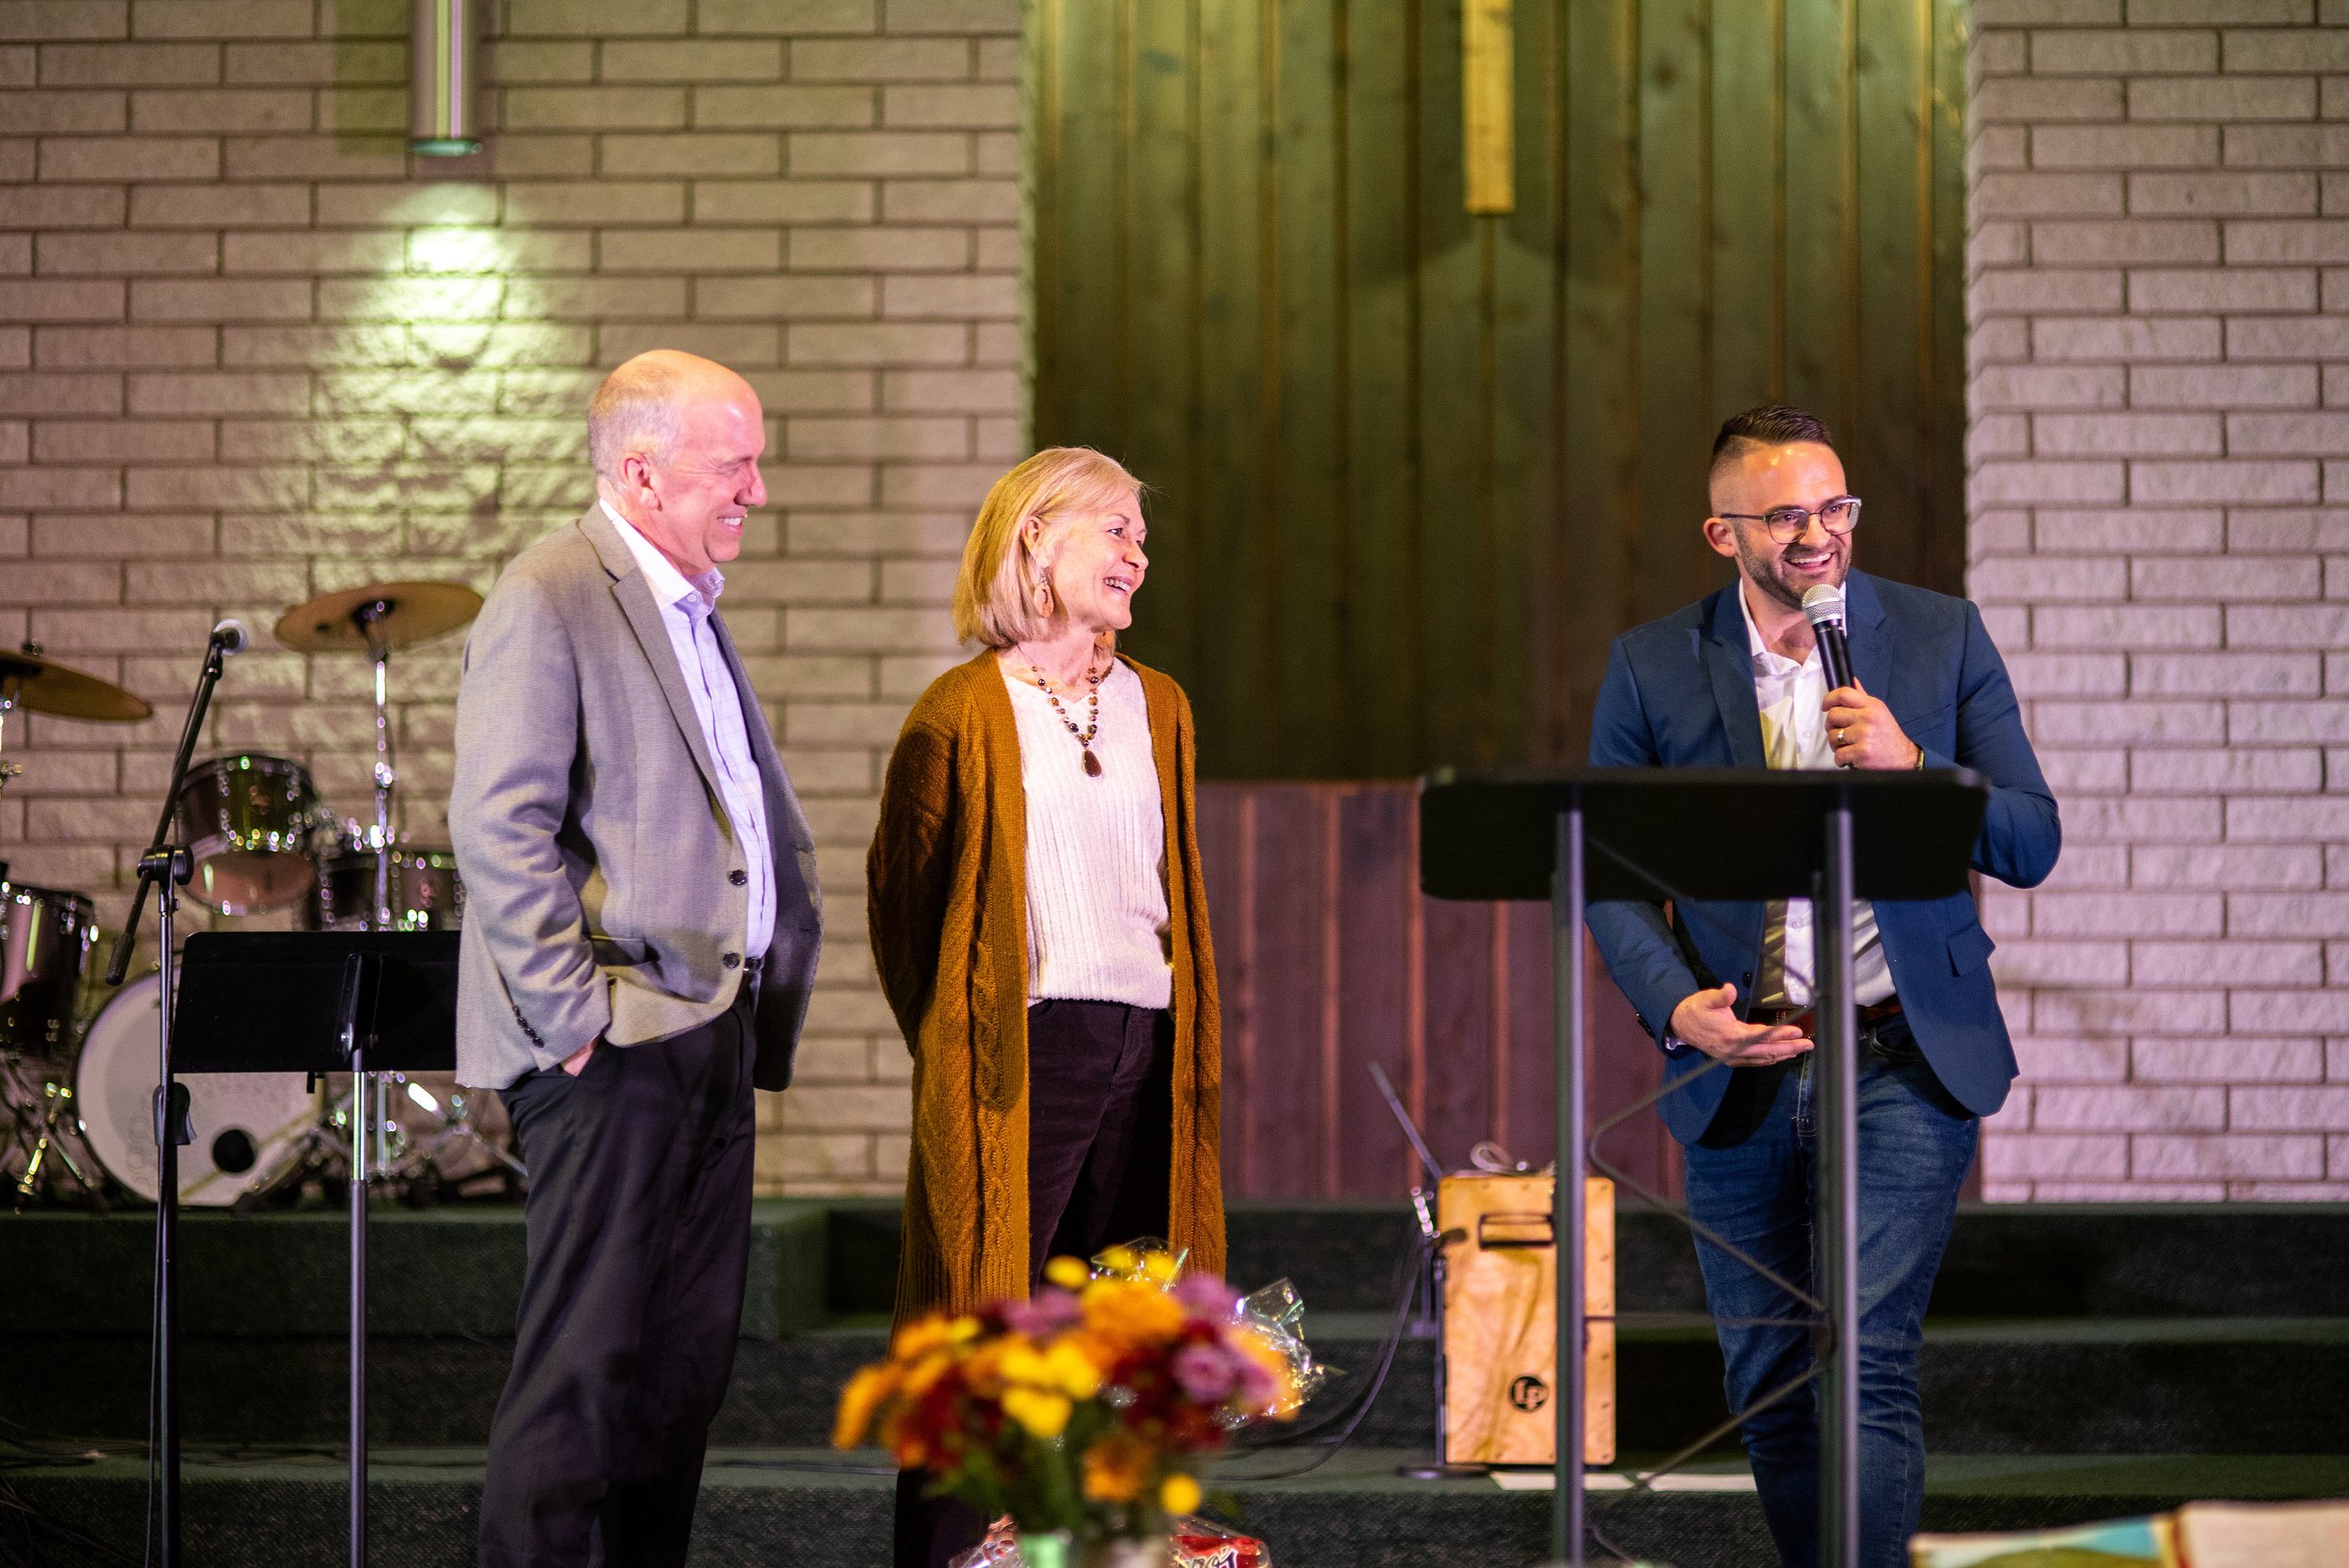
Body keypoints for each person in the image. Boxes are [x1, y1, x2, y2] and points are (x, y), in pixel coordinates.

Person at [1585, 405, 2059, 1568]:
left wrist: (1914, 768)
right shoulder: (1652, 663)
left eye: (1833, 507)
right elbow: (1600, 870)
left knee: (1863, 1348)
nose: (1816, 535)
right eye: (1785, 514)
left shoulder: (1939, 638)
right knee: (1766, 1370)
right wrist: (1676, 1004)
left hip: (1902, 1053)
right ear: (1722, 531)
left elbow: (2031, 838)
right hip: (1739, 1057)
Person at [450, 349, 824, 1568]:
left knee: (677, 1381)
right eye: (737, 464)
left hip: (704, 1031)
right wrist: (572, 1019)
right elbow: (499, 823)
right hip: (612, 1043)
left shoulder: (684, 606)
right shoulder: (552, 591)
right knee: (582, 1383)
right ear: (643, 470)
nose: (756, 492)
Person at [866, 446, 1225, 1568]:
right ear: (1035, 538)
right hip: (1022, 1050)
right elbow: (904, 907)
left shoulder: (1158, 705)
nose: (1139, 552)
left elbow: (1170, 894)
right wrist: (964, 1040)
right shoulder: (959, 710)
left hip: (1147, 1046)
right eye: (1114, 529)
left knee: (1116, 1347)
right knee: (981, 1352)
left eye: (1139, 533)